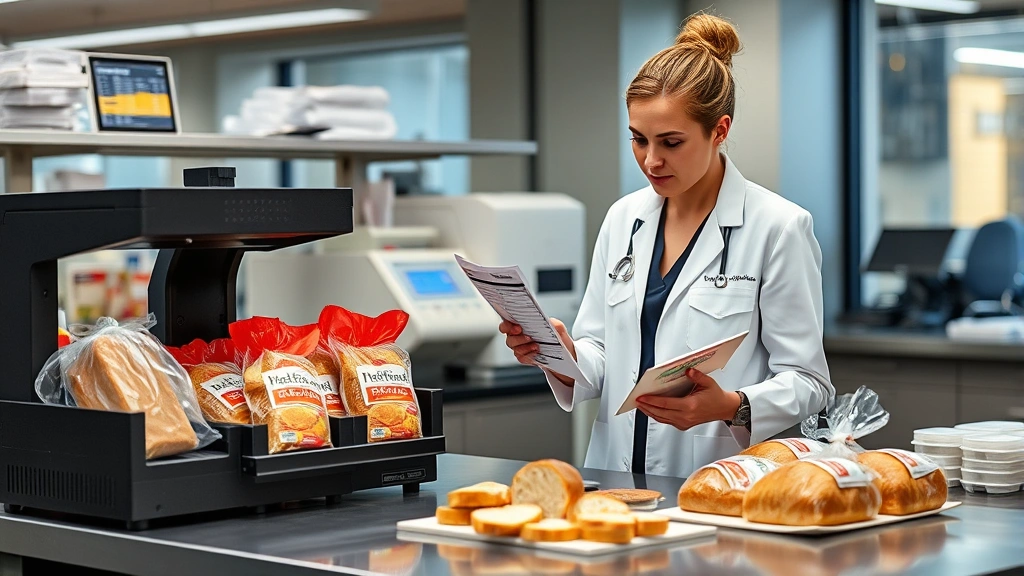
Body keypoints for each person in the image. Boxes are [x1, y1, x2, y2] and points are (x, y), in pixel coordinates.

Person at [499, 13, 833, 477]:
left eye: (671, 142)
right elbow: (600, 356)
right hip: (614, 481)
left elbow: (810, 382)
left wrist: (732, 405)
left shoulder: (778, 227)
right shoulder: (623, 220)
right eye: (638, 140)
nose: (651, 160)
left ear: (719, 131)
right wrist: (563, 355)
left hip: (716, 482)